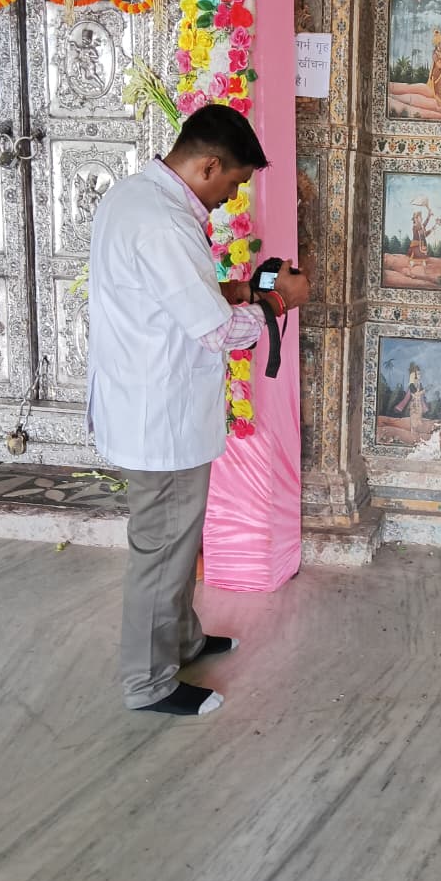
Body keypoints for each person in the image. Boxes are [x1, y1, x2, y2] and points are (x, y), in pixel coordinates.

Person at [87, 104, 310, 717]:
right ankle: (148, 683)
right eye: (233, 183)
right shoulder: (164, 221)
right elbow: (217, 333)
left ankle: (182, 639)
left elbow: (169, 298)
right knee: (162, 549)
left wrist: (236, 290)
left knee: (178, 543)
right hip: (159, 418)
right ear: (209, 165)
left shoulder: (134, 197)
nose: (230, 197)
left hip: (150, 403)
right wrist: (278, 304)